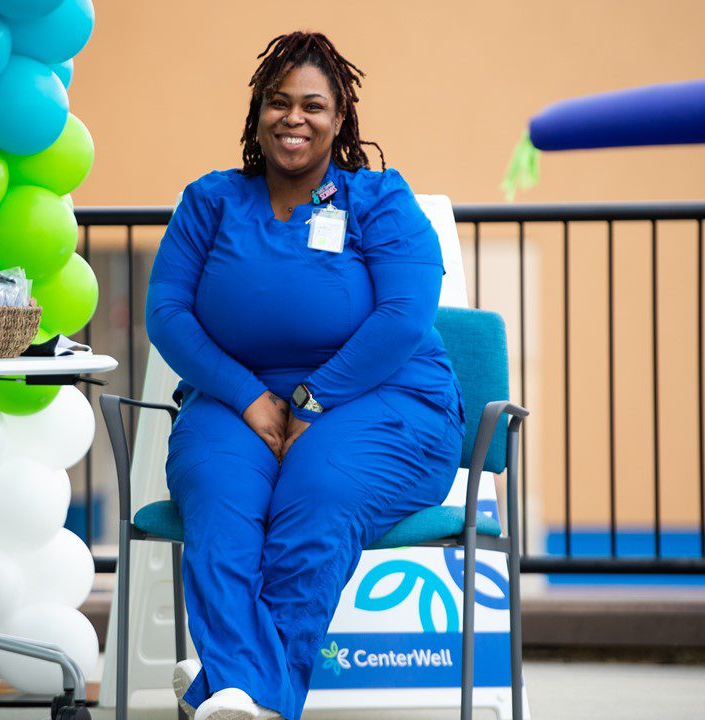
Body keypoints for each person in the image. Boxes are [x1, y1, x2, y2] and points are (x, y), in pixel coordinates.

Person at [145, 30, 465, 720]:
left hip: (386, 397)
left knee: (318, 495)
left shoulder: (378, 200)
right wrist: (248, 396)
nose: (294, 118)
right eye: (278, 102)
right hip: (239, 397)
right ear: (257, 112)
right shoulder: (211, 201)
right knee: (219, 497)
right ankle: (243, 695)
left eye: (313, 105)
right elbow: (167, 314)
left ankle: (233, 690)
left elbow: (406, 316)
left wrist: (314, 400)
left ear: (339, 118)